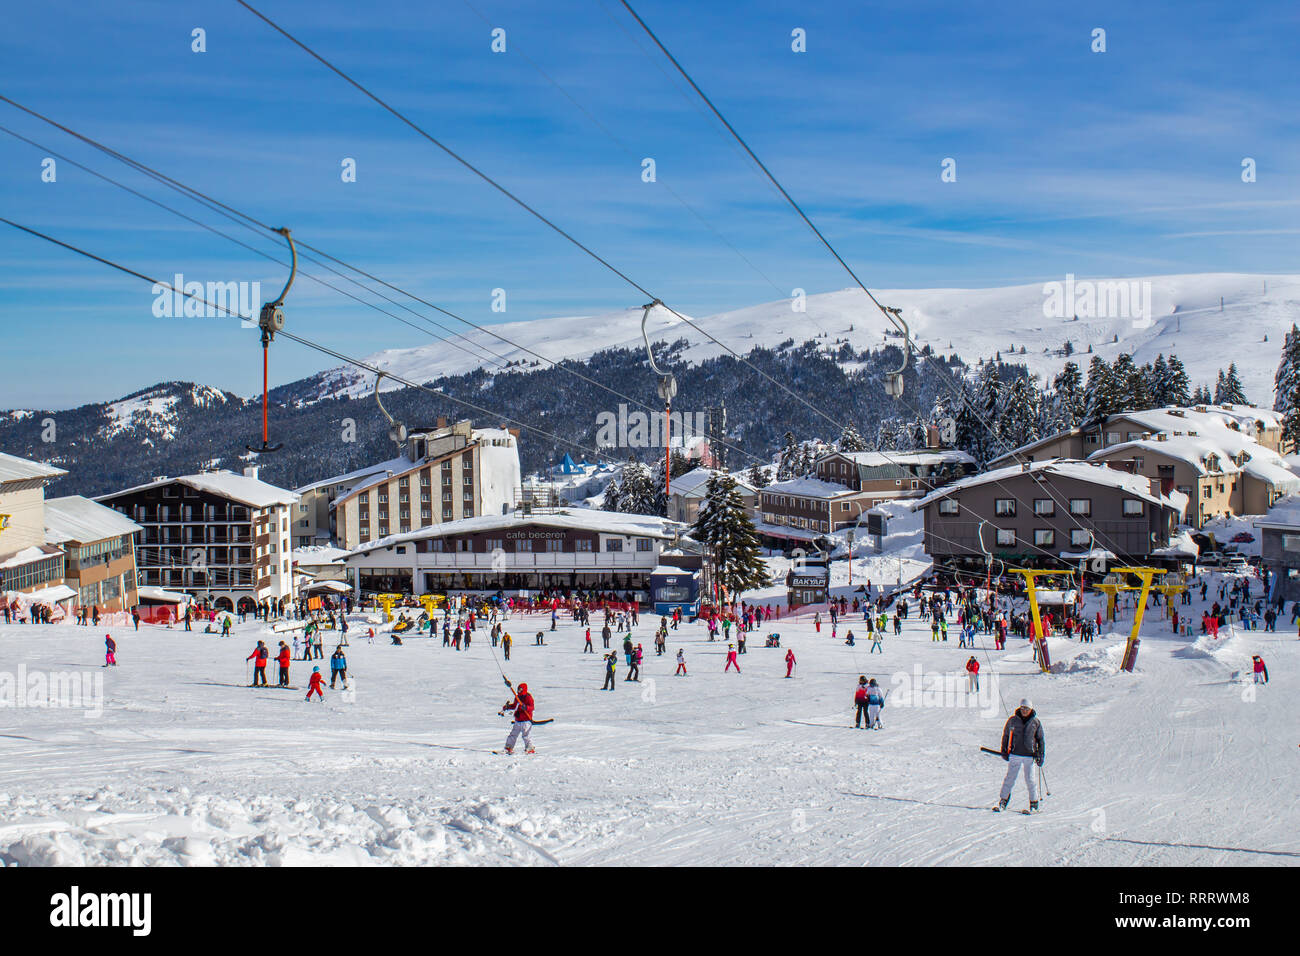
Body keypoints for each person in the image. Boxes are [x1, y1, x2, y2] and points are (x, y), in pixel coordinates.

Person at [997, 699, 1045, 812]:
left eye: (1027, 709)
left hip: (1029, 755)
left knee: (1030, 780)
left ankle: (1034, 804)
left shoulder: (1035, 722)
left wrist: (1040, 754)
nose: (1024, 711)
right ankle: (1003, 801)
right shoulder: (1012, 721)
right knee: (1010, 778)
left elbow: (1040, 739)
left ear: (1031, 709)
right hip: (1015, 754)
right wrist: (1004, 750)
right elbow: (1006, 736)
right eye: (1023, 708)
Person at [500, 682, 536, 754]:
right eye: (518, 689)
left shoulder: (528, 697)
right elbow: (514, 706)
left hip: (526, 721)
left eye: (520, 689)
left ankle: (530, 748)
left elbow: (532, 707)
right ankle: (508, 748)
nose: (518, 691)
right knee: (513, 734)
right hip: (518, 720)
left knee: (526, 735)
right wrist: (508, 707)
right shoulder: (517, 697)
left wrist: (526, 707)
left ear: (524, 690)